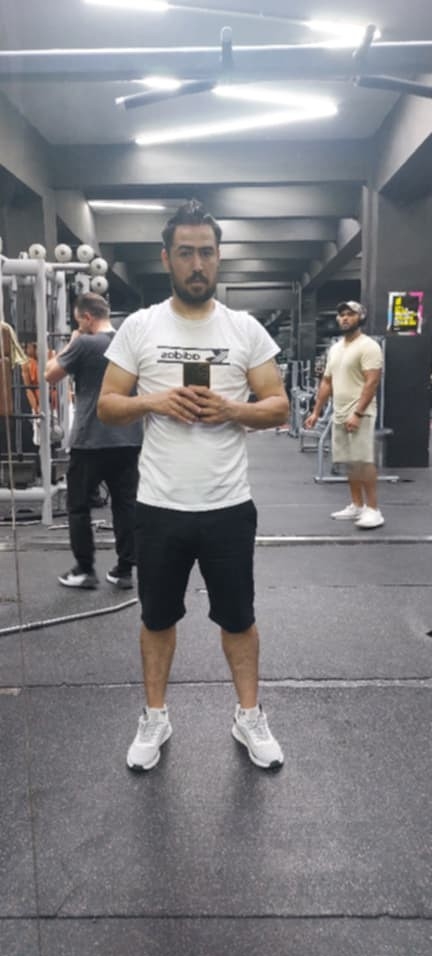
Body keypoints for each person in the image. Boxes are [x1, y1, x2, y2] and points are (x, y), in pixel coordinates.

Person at [97, 199, 289, 771]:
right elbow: (107, 406)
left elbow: (278, 406)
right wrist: (154, 401)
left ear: (219, 256)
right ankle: (155, 716)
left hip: (228, 507)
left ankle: (248, 715)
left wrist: (232, 410)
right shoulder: (140, 326)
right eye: (186, 252)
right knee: (157, 619)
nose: (197, 263)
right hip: (159, 507)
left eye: (206, 252)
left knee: (239, 619)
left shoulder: (244, 329)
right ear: (167, 258)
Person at [45, 291, 142, 589]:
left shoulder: (85, 343)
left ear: (87, 318)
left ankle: (85, 570)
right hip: (128, 437)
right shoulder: (129, 341)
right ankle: (124, 571)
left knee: (78, 506)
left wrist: (73, 340)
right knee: (125, 505)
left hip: (90, 440)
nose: (79, 326)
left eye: (79, 322)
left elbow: (50, 374)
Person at [305, 300, 384, 529]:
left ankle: (373, 509)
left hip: (361, 412)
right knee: (350, 461)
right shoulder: (336, 348)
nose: (345, 318)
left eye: (350, 314)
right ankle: (357, 505)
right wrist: (316, 411)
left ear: (361, 317)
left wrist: (357, 413)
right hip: (339, 413)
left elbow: (372, 382)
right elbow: (326, 382)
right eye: (341, 315)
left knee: (363, 460)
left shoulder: (369, 346)